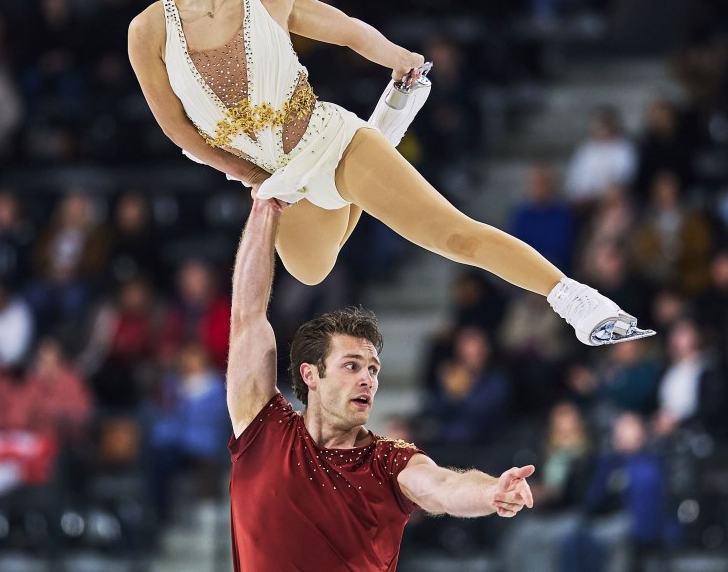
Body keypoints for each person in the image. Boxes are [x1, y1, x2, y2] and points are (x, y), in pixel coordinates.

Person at [126, 0, 648, 346]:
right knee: (309, 270)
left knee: (453, 235)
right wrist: (249, 175)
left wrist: (400, 58)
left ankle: (577, 300)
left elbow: (350, 29)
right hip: (279, 179)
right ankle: (388, 129)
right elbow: (177, 128)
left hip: (332, 144)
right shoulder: (148, 30)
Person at [221, 196, 537, 571]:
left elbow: (443, 488)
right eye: (351, 366)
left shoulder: (389, 463)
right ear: (311, 375)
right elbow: (248, 315)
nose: (367, 379)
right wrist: (265, 207)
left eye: (373, 369)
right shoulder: (264, 430)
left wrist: (491, 492)